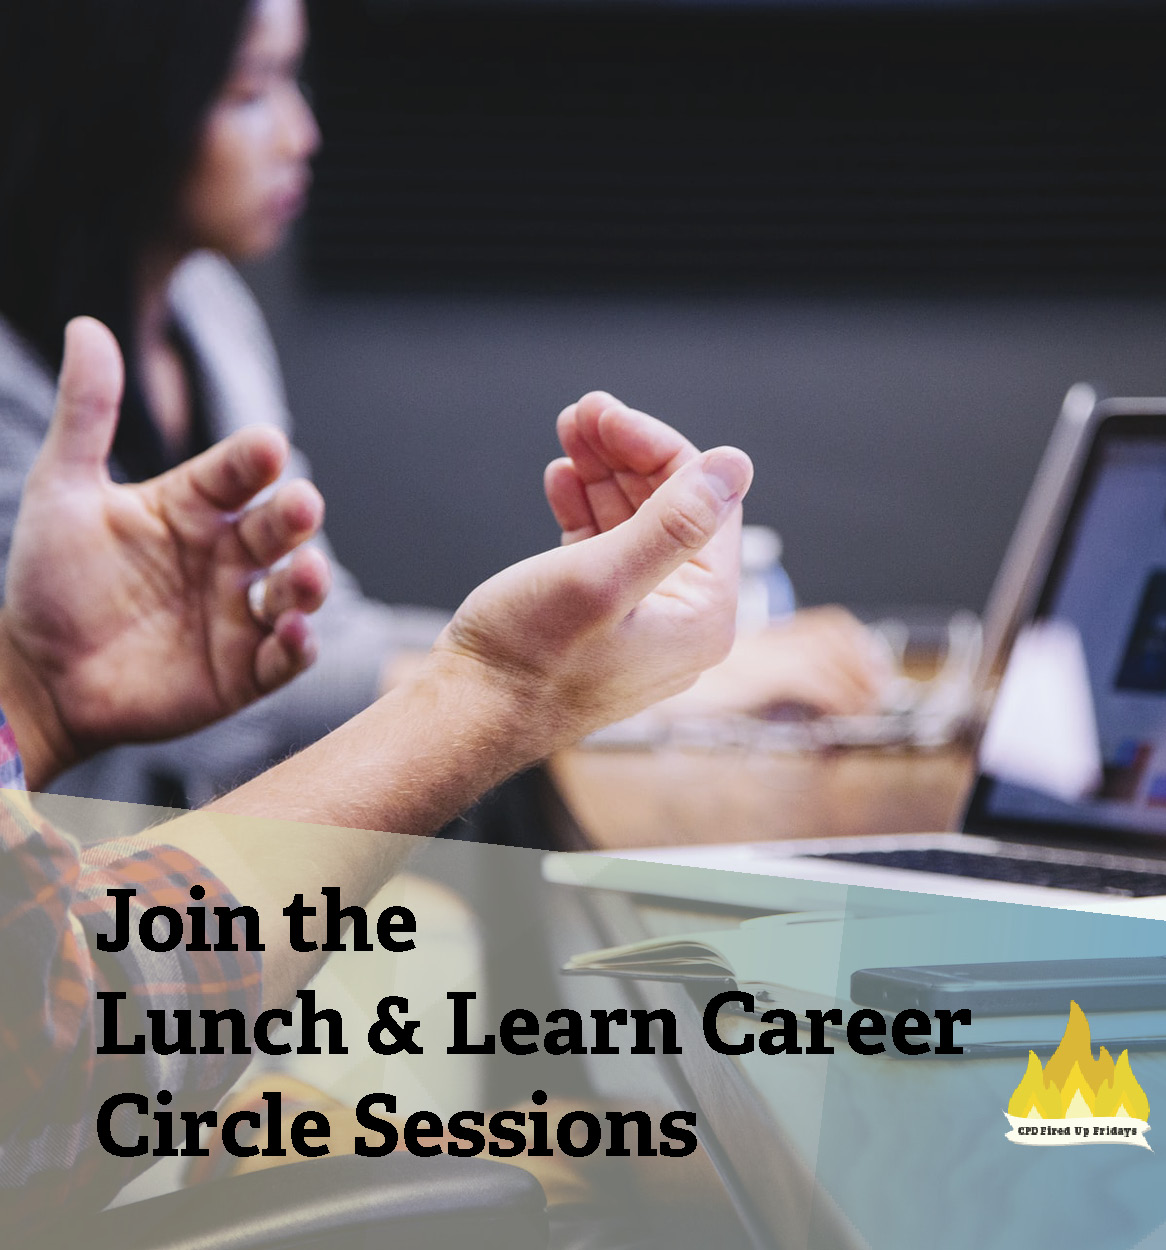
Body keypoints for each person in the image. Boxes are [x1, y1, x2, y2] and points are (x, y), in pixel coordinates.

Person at [0, 0, 884, 814]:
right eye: (249, 89)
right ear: (122, 100)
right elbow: (251, 704)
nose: (302, 134)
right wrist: (568, 681)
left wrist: (564, 664)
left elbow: (311, 639)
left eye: (293, 80)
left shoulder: (208, 312)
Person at [0, 315, 753, 1232]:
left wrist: (33, 698)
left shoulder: (211, 309)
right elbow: (55, 1042)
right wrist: (498, 691)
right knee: (661, 1173)